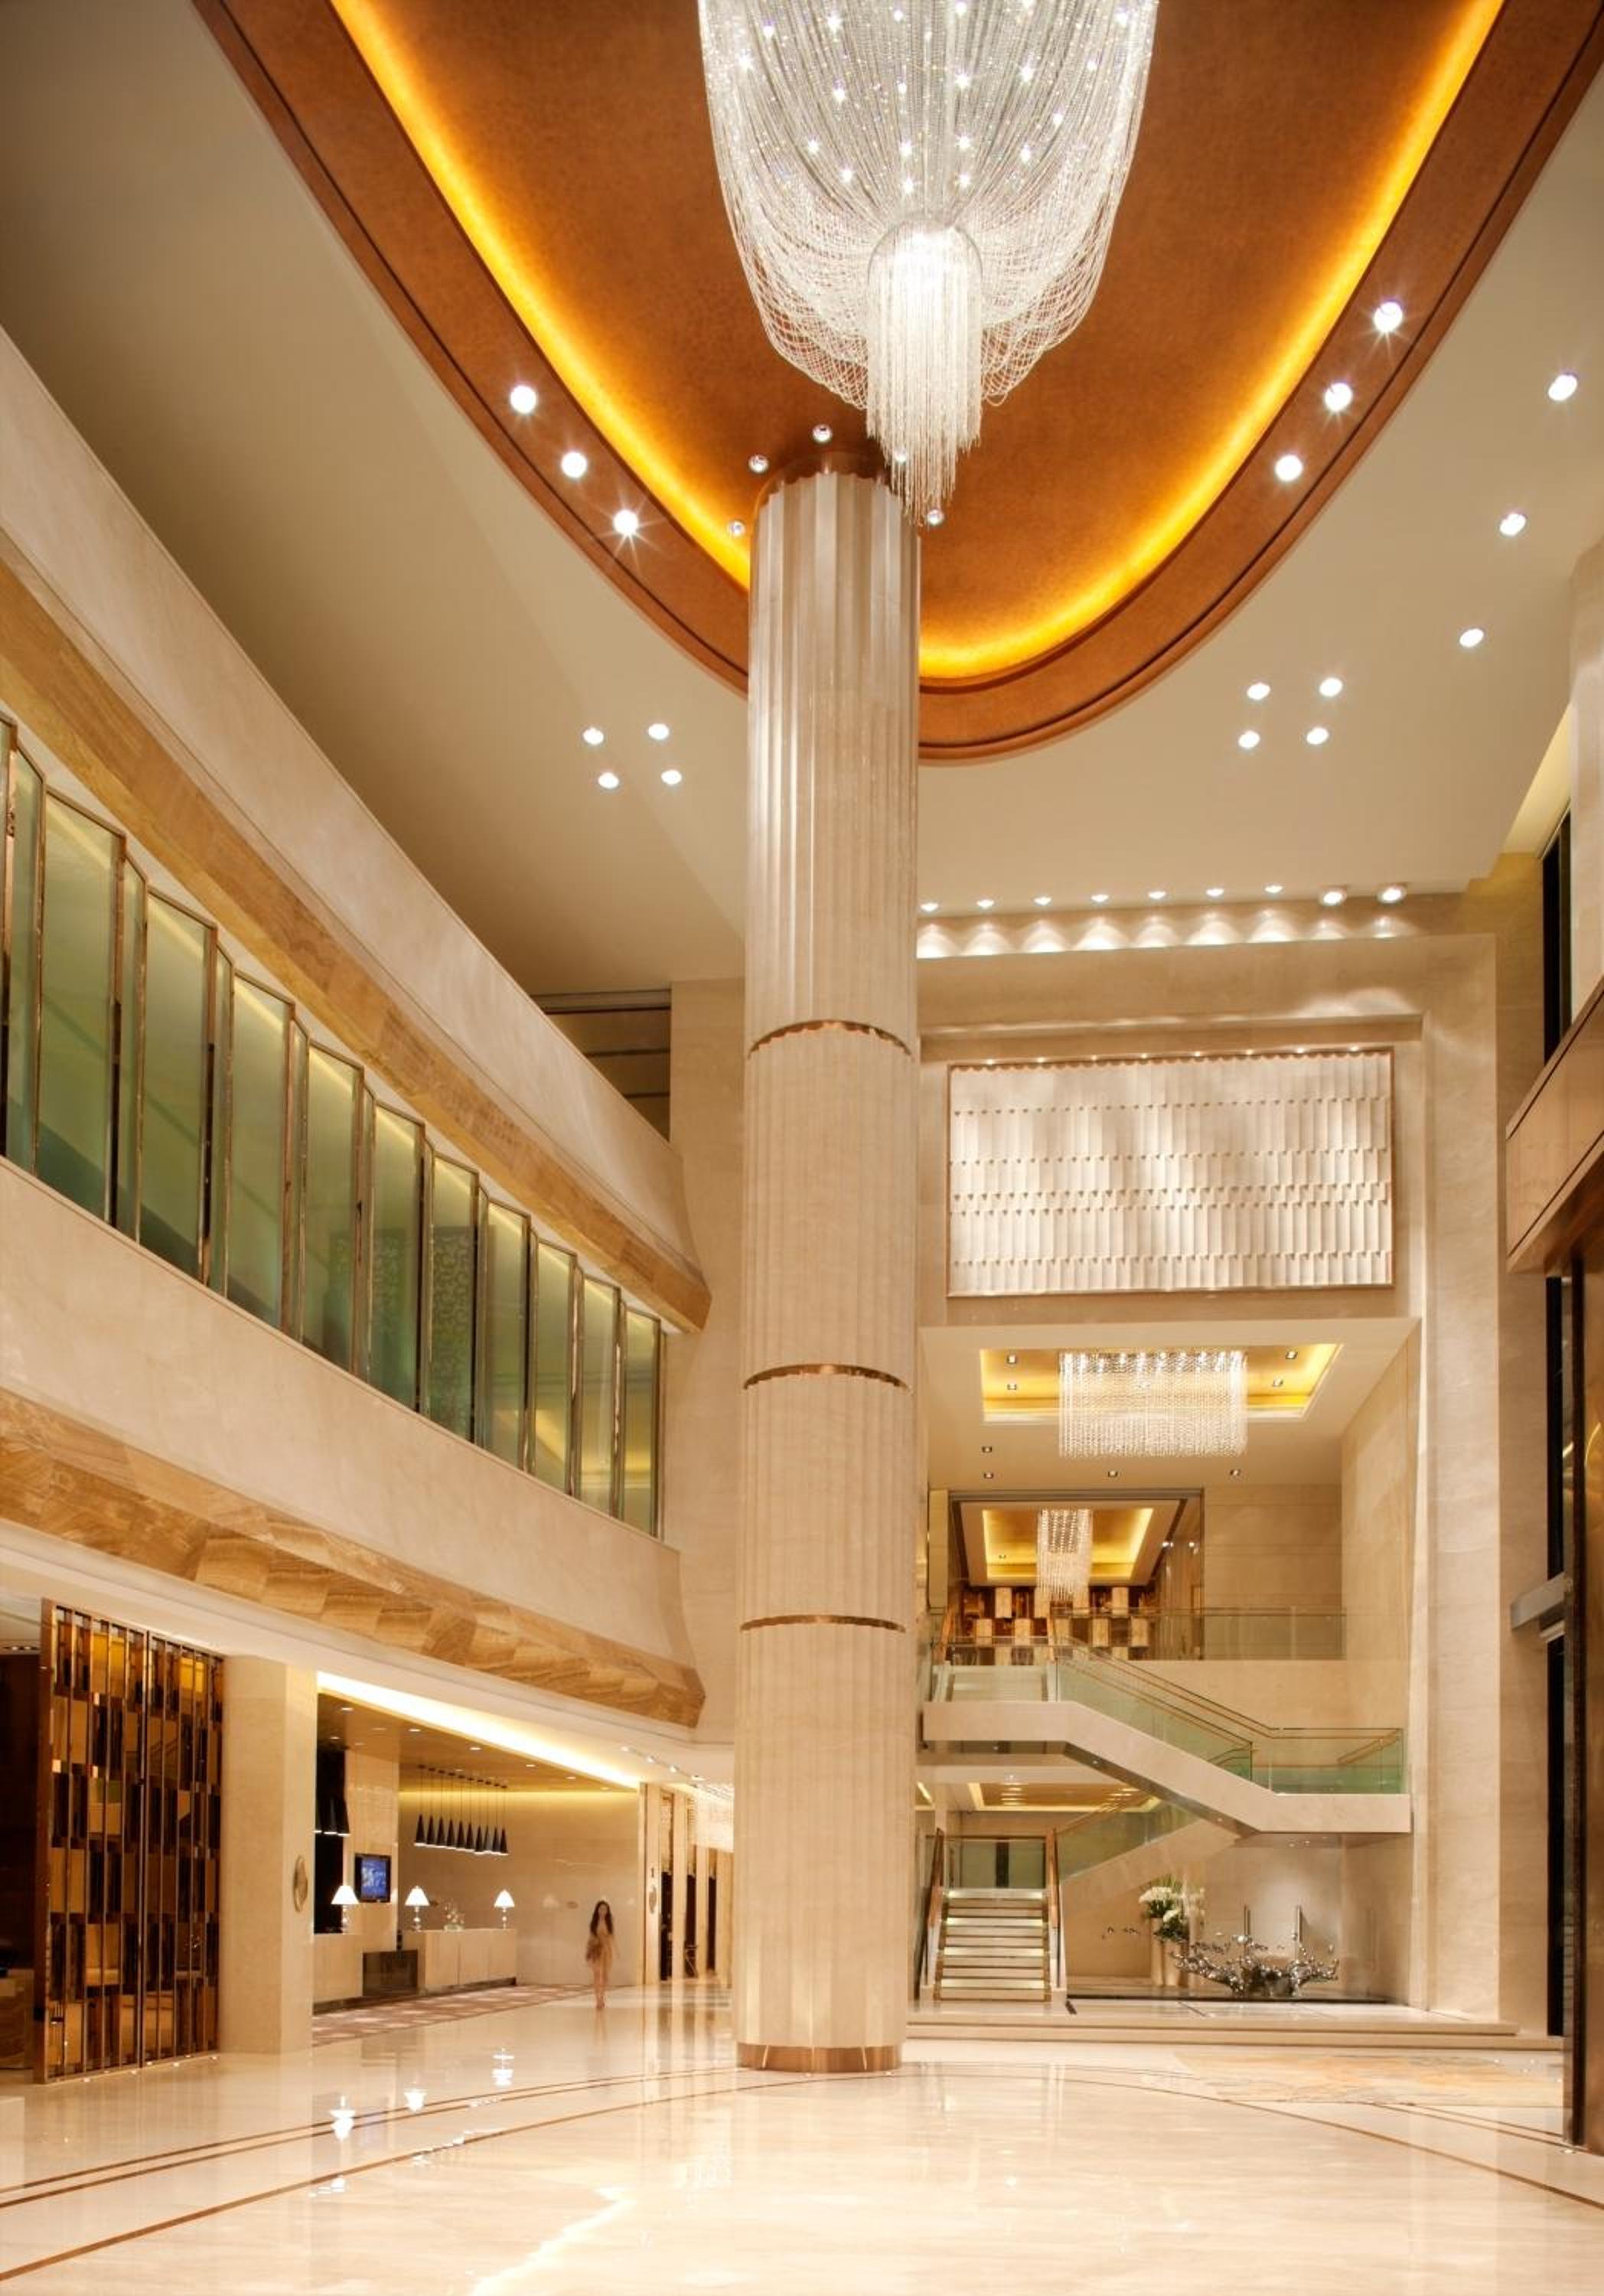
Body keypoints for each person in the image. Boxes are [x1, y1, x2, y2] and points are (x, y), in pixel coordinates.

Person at [585, 1900, 615, 2007]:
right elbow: (590, 1937)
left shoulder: (609, 1922)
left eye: (605, 1909)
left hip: (607, 1951)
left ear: (607, 1911)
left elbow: (612, 1938)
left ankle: (602, 1997)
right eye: (601, 1909)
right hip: (596, 1951)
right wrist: (588, 1950)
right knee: (597, 1975)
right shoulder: (594, 1923)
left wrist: (615, 1950)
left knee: (605, 1975)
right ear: (597, 1910)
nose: (603, 1911)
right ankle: (597, 1999)